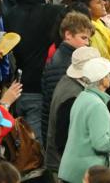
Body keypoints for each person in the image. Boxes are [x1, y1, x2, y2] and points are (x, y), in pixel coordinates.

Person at [4, 0, 65, 140]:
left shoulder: (9, 15)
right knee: (35, 144)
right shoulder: (52, 13)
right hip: (41, 86)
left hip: (18, 85)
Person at [58, 57, 110, 183]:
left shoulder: (83, 97)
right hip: (85, 174)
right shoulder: (96, 105)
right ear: (102, 80)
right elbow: (101, 144)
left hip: (73, 170)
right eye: (108, 75)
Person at [40, 11, 94, 146]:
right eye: (83, 38)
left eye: (88, 39)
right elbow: (61, 104)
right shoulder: (64, 64)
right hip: (62, 136)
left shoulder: (65, 58)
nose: (87, 43)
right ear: (68, 35)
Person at [44, 46, 101, 174]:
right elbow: (63, 139)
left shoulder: (68, 82)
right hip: (65, 166)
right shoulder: (73, 95)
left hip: (62, 163)